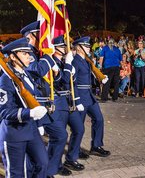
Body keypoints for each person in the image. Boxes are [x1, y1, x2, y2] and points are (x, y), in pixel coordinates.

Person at [20, 21, 70, 177]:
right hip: (34, 104)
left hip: (47, 102)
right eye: (40, 34)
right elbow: (36, 70)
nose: (44, 37)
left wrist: (59, 70)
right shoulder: (26, 53)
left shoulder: (40, 53)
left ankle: (49, 170)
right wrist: (49, 58)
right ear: (31, 35)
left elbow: (57, 80)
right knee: (33, 146)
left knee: (61, 135)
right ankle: (35, 172)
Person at [0, 38, 48, 177]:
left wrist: (38, 122)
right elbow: (4, 111)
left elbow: (32, 98)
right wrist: (30, 113)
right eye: (24, 53)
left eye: (29, 53)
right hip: (14, 132)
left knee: (42, 163)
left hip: (31, 128)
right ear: (13, 57)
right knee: (17, 173)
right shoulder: (5, 80)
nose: (29, 56)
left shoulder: (25, 74)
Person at [72, 36, 111, 157]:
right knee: (78, 126)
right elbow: (73, 83)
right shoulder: (74, 62)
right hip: (81, 97)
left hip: (89, 95)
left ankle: (96, 145)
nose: (89, 48)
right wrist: (76, 100)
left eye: (89, 46)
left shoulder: (87, 61)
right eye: (86, 46)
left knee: (99, 119)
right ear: (78, 48)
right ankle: (75, 150)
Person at [52, 35, 86, 171]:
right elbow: (63, 81)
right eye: (61, 46)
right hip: (59, 102)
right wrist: (68, 65)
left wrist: (76, 100)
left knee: (79, 129)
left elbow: (73, 83)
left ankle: (71, 158)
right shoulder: (52, 63)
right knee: (60, 136)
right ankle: (56, 165)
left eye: (65, 46)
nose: (65, 48)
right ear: (54, 48)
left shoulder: (63, 62)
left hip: (69, 101)